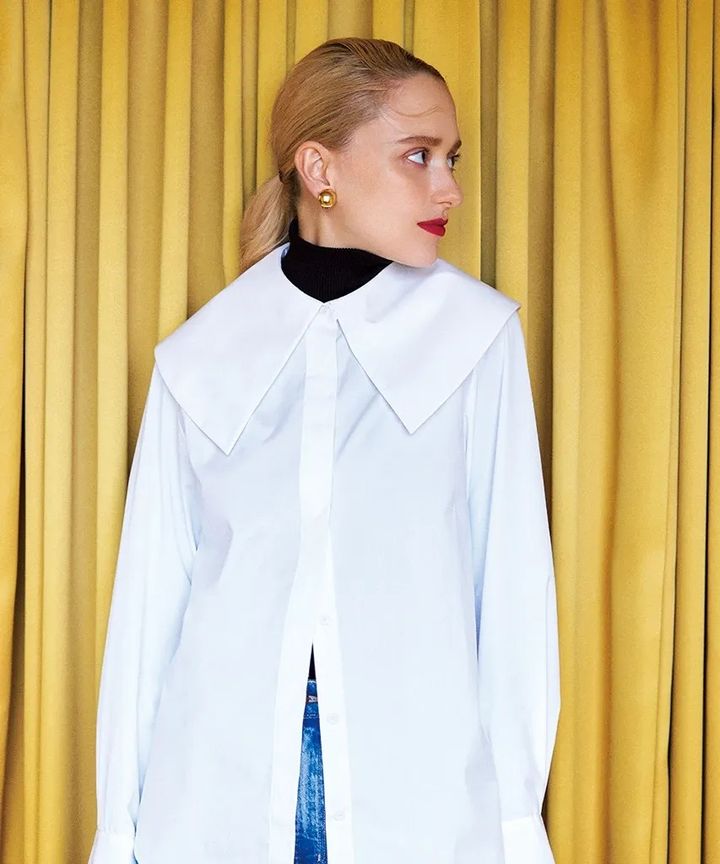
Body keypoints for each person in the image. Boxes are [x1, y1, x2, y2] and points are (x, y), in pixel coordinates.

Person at [88, 36, 560, 864]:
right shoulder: (201, 359)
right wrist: (118, 836)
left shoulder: (477, 340)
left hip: (417, 798)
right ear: (319, 169)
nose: (448, 187)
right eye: (418, 156)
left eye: (451, 158)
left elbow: (514, 599)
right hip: (218, 797)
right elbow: (149, 615)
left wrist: (517, 829)